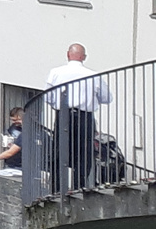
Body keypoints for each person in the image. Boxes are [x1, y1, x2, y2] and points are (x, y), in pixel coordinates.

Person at [45, 43, 113, 190]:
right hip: (85, 117)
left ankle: (56, 187)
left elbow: (48, 97)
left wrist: (57, 106)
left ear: (68, 55)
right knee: (84, 153)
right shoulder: (93, 75)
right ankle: (79, 186)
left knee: (59, 151)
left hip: (63, 115)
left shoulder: (56, 72)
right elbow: (107, 98)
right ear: (84, 57)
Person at [0, 107, 25, 174]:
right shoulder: (13, 128)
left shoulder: (26, 131)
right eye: (12, 120)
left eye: (16, 120)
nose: (14, 122)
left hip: (21, 163)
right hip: (11, 162)